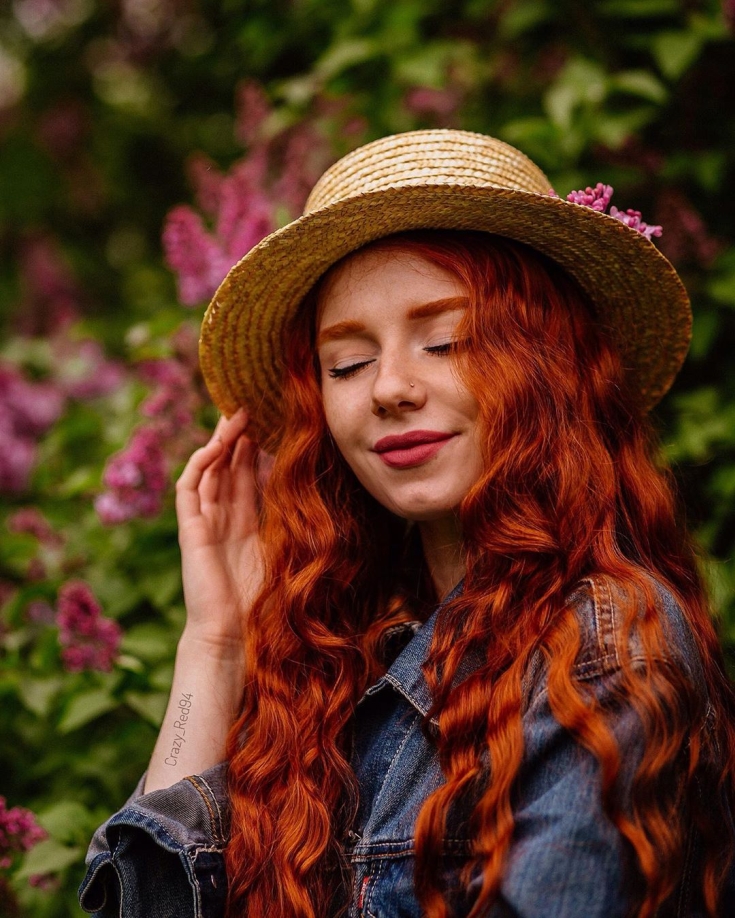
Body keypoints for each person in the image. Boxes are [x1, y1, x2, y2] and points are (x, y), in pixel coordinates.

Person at [79, 130, 735, 918]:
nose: (389, 387)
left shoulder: (597, 642)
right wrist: (214, 644)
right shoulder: (335, 662)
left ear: (545, 365)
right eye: (346, 363)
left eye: (446, 340)